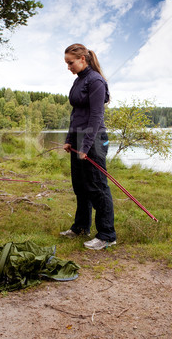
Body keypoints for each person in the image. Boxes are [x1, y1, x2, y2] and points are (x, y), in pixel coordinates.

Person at [61, 43, 117, 250]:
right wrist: (69, 139)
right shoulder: (79, 81)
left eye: (70, 62)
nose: (68, 67)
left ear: (83, 59)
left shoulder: (96, 81)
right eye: (66, 63)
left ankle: (107, 235)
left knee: (97, 186)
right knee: (80, 186)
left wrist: (85, 146)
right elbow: (76, 114)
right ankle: (81, 227)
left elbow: (95, 117)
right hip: (78, 138)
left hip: (93, 139)